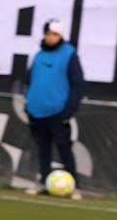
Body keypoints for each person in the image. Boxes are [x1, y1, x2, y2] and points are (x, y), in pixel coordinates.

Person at [24, 18, 84, 199]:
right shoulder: (39, 55)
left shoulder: (69, 54)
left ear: (61, 36)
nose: (51, 38)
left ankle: (74, 186)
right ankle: (44, 182)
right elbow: (30, 80)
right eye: (48, 34)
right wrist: (29, 104)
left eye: (55, 34)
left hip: (58, 111)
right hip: (36, 110)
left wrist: (69, 110)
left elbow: (78, 84)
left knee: (64, 147)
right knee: (43, 149)